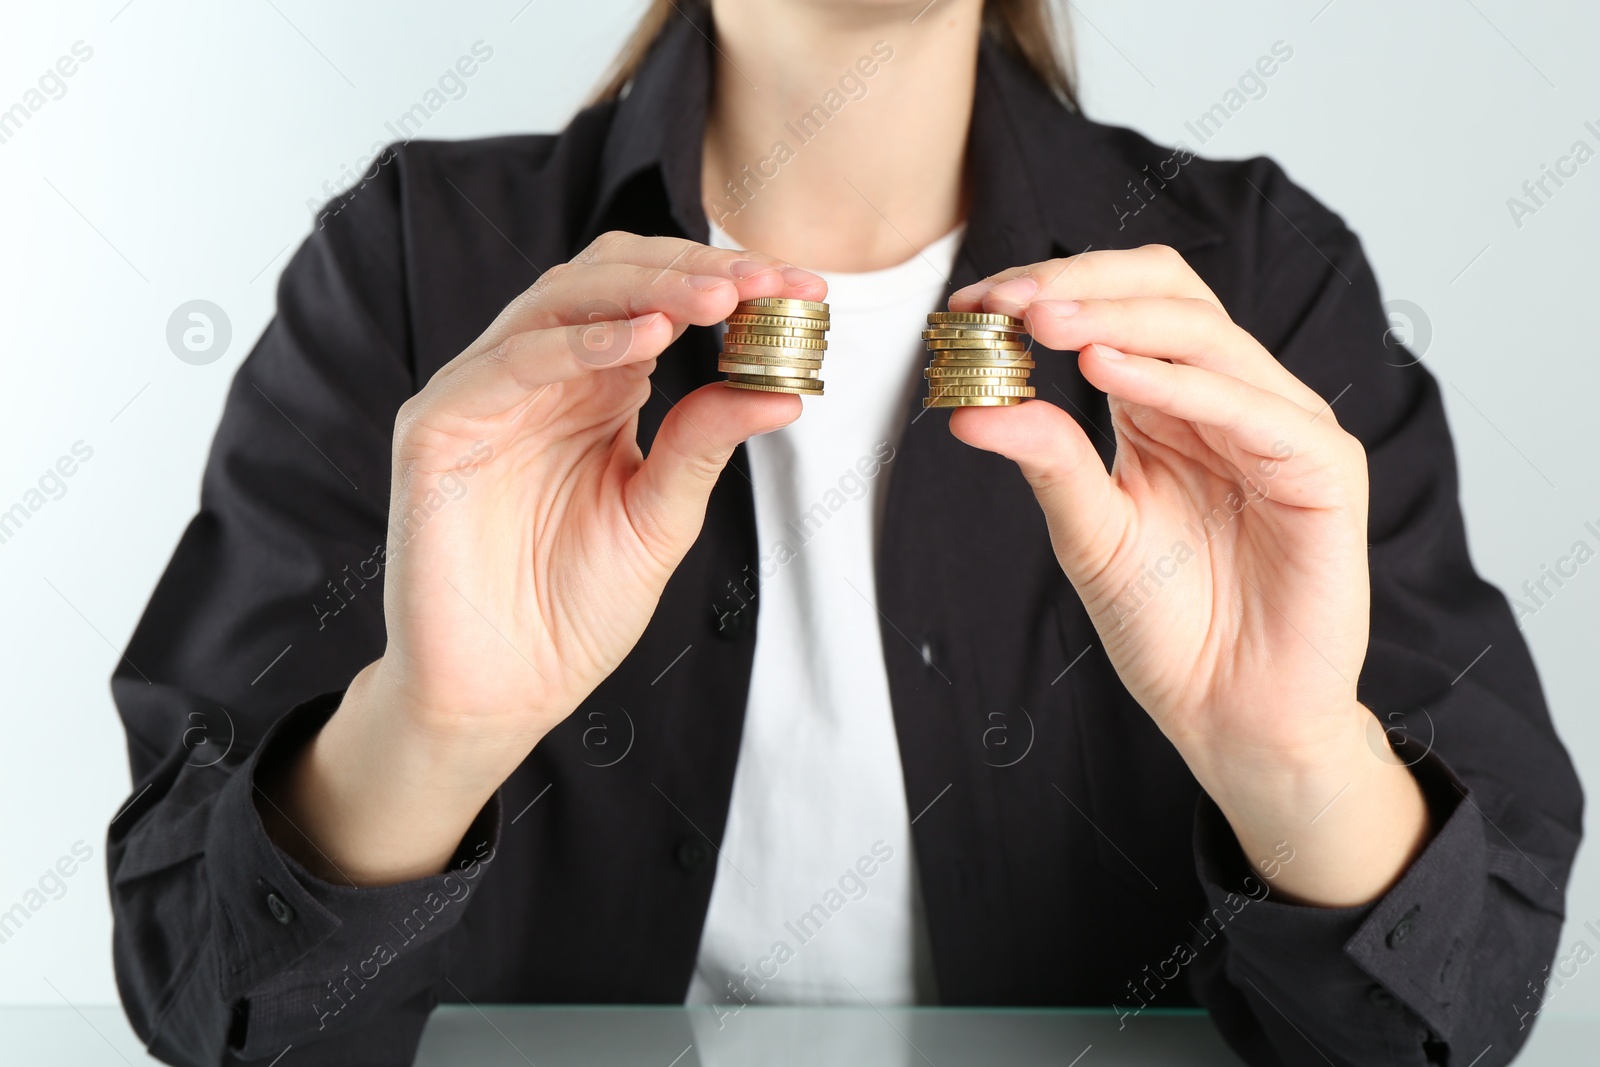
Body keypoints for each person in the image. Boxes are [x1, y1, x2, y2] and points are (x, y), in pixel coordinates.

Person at [107, 2, 1581, 1065]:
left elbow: (1453, 1021)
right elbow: (207, 1001)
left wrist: (1295, 765)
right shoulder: (419, 260)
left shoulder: (1263, 275)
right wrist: (430, 732)